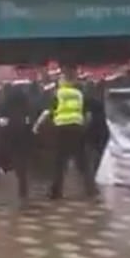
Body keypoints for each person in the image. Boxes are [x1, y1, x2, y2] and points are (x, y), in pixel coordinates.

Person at [33, 67, 97, 200]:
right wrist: (84, 126)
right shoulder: (79, 94)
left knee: (59, 161)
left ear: (64, 81)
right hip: (77, 128)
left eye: (60, 78)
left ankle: (56, 192)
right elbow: (87, 114)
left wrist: (37, 125)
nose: (59, 80)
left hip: (62, 129)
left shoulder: (58, 93)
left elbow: (47, 111)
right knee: (82, 161)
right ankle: (91, 189)